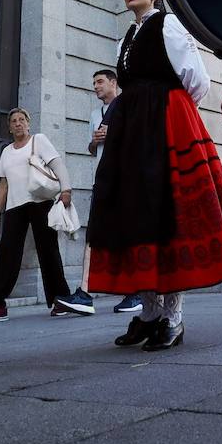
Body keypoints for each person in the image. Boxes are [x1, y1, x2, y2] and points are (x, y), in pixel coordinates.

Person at [87, 0, 222, 351]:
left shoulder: (169, 24)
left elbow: (197, 80)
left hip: (164, 119)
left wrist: (168, 107)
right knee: (137, 211)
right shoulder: (126, 37)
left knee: (167, 211)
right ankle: (148, 311)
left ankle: (172, 316)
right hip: (133, 128)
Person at [0, 109, 75, 320]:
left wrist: (66, 190)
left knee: (48, 250)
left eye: (21, 120)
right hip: (15, 207)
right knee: (8, 253)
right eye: (14, 121)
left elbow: (57, 164)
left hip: (40, 203)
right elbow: (3, 187)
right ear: (9, 127)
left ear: (28, 123)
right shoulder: (6, 151)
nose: (18, 124)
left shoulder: (39, 140)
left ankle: (61, 299)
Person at [81, 68, 141, 315]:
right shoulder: (95, 114)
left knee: (128, 234)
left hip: (125, 178)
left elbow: (137, 139)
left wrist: (113, 133)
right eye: (94, 82)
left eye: (100, 82)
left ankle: (136, 292)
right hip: (102, 178)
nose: (95, 86)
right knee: (96, 233)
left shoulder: (128, 105)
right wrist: (95, 141)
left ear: (113, 83)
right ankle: (85, 292)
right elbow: (90, 148)